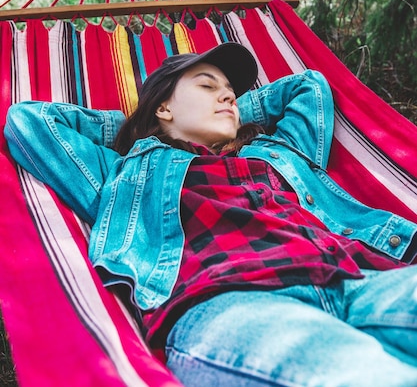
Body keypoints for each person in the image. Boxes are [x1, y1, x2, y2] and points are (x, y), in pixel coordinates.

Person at [5, 42, 417, 387]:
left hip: (361, 281)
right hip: (237, 304)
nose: (228, 97)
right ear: (163, 109)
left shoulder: (278, 151)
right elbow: (30, 122)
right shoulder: (124, 173)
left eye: (232, 94)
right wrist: (137, 120)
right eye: (208, 86)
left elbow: (309, 86)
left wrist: (231, 114)